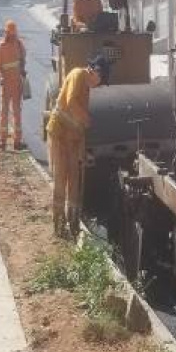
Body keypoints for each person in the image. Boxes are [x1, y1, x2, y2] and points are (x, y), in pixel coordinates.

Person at [46, 56, 109, 238]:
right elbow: (71, 101)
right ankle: (58, 224)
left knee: (74, 179)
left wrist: (82, 150)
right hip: (59, 134)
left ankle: (73, 221)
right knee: (60, 178)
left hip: (72, 139)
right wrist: (86, 118)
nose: (100, 84)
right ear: (96, 72)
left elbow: (80, 125)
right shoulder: (78, 75)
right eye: (101, 80)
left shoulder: (87, 87)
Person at [0, 20, 27, 150]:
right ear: (6, 33)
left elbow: (23, 58)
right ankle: (2, 140)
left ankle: (17, 141)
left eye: (14, 34)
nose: (12, 36)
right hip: (6, 83)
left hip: (17, 84)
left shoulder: (19, 45)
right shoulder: (1, 46)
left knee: (17, 112)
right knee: (4, 112)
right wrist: (1, 77)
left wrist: (22, 69)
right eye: (10, 33)